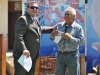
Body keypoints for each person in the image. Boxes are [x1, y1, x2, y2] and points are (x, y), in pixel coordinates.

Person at [13, 1, 53, 75]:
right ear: (27, 8)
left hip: (32, 55)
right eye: (32, 7)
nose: (35, 9)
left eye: (36, 8)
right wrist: (24, 49)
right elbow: (19, 36)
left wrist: (53, 29)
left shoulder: (35, 19)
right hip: (23, 55)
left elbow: (40, 29)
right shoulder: (23, 19)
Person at [50, 7, 85, 75]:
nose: (66, 16)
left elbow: (81, 42)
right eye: (65, 14)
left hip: (72, 55)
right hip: (60, 54)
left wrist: (70, 38)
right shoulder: (59, 26)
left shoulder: (78, 28)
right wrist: (53, 35)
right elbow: (52, 39)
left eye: (68, 14)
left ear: (74, 16)